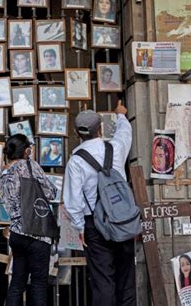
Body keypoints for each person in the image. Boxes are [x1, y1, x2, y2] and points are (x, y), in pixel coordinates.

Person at [63, 101, 134, 306]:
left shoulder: (76, 160)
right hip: (122, 220)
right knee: (126, 277)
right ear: (100, 129)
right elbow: (125, 133)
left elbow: (73, 201)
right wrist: (120, 115)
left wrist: (79, 227)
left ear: (77, 133)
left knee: (102, 280)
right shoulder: (115, 148)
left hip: (94, 223)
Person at [0, 134, 58, 306]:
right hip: (37, 233)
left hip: (17, 233)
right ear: (27, 151)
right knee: (39, 284)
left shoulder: (3, 173)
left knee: (17, 282)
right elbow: (51, 193)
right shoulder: (29, 165)